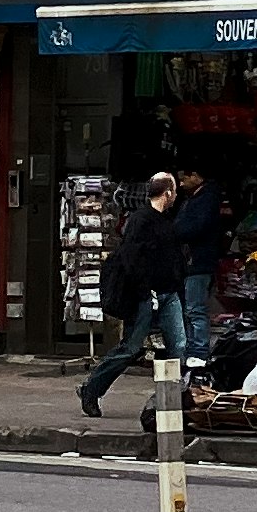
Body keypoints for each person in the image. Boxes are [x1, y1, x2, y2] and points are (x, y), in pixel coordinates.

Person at [80, 171, 190, 415]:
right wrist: (145, 291)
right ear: (168, 193)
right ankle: (92, 389)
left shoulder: (165, 221)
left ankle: (173, 401)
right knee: (130, 348)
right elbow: (131, 259)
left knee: (179, 346)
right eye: (174, 191)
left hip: (168, 294)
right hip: (146, 295)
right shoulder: (141, 221)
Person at [170, 165, 225, 362]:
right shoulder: (194, 198)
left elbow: (195, 227)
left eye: (184, 178)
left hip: (199, 262)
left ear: (195, 175)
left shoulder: (206, 200)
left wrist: (175, 233)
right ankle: (192, 349)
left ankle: (199, 351)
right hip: (191, 262)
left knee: (195, 309)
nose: (181, 183)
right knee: (190, 309)